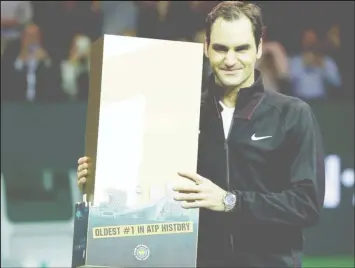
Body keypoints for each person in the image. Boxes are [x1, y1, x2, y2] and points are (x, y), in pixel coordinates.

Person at [77, 1, 325, 267]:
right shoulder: (182, 113)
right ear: (206, 48)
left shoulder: (292, 114)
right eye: (220, 48)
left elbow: (306, 204)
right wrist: (101, 180)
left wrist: (230, 201)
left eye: (241, 49)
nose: (230, 60)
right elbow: (147, 188)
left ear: (259, 48)